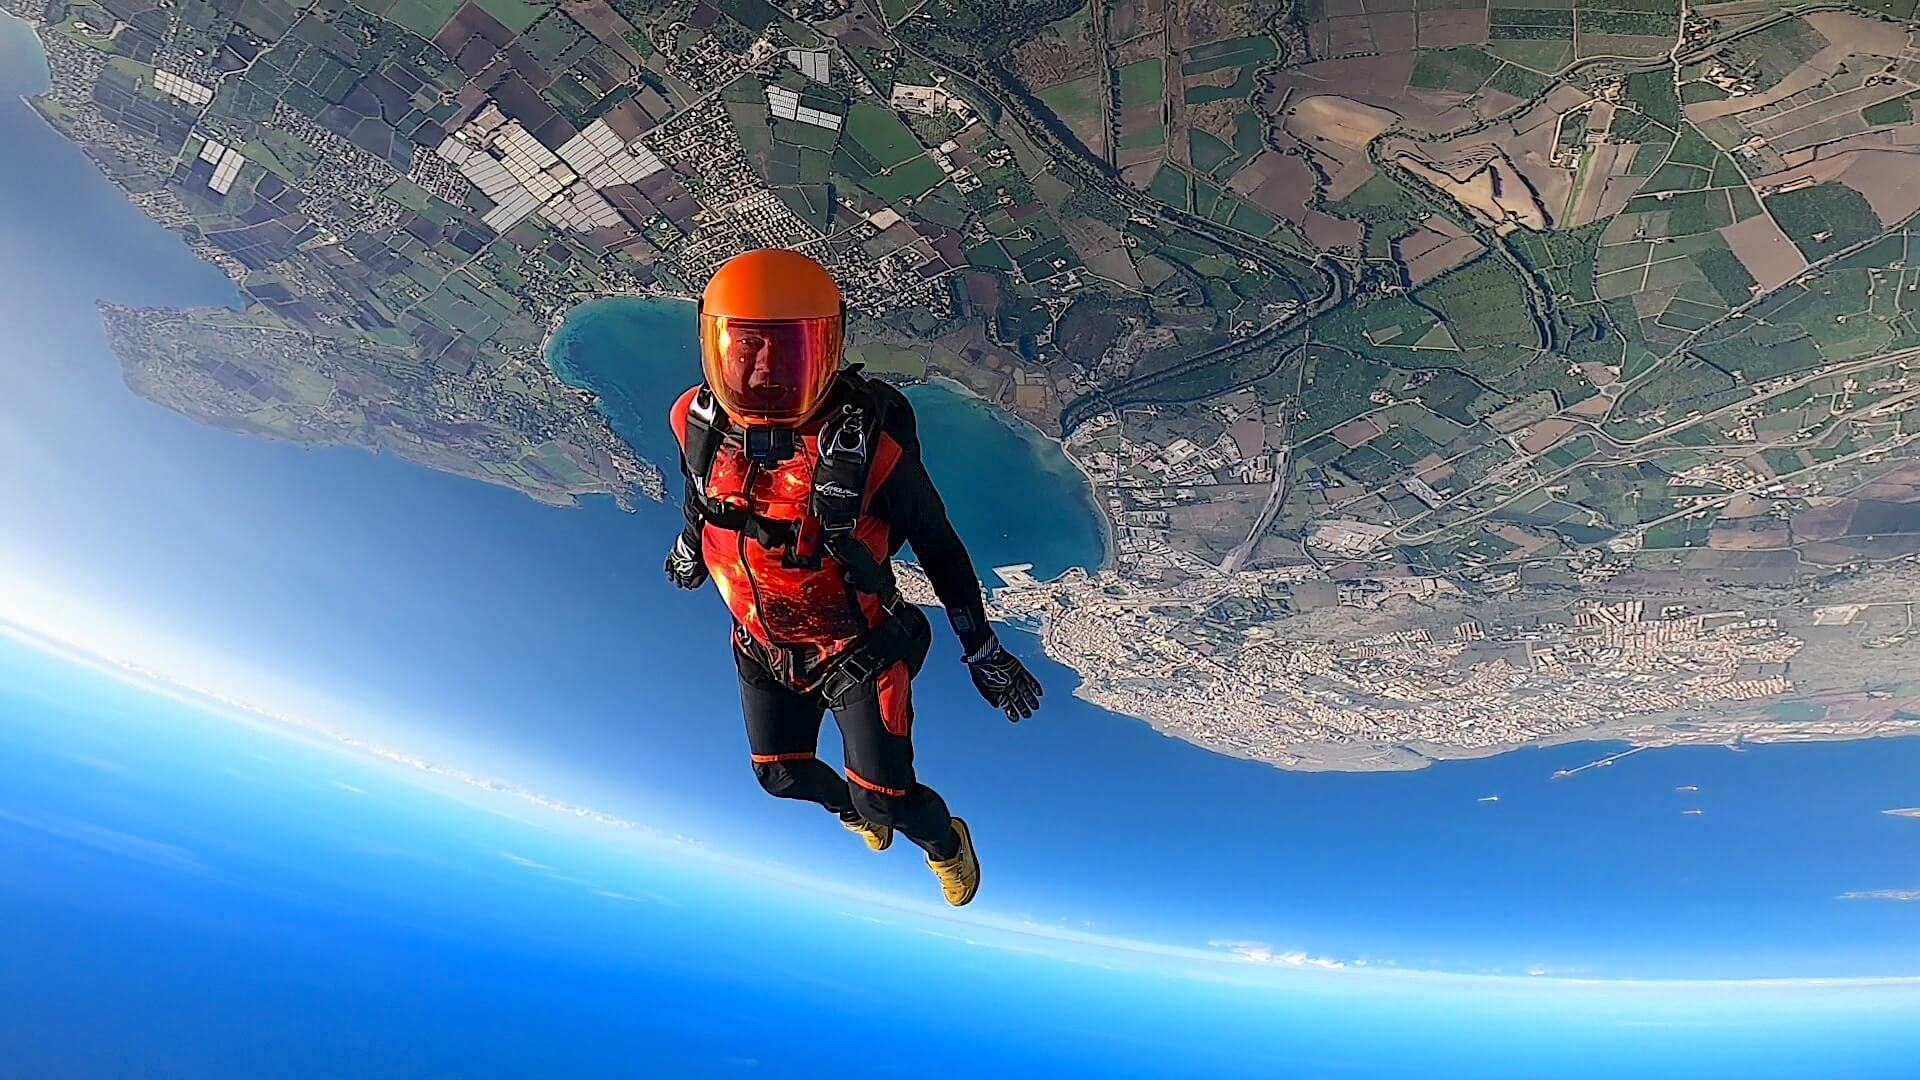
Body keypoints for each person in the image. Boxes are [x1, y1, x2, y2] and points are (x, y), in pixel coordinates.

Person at [663, 248, 1044, 906]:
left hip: (857, 648)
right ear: (714, 344)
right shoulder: (696, 423)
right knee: (779, 775)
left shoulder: (872, 450)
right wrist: (691, 544)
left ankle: (943, 842)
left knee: (886, 798)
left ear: (828, 351)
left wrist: (981, 648)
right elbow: (703, 494)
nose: (765, 371)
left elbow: (938, 546)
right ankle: (856, 811)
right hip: (761, 643)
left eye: (790, 352)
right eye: (747, 346)